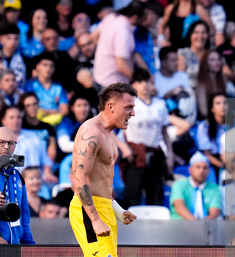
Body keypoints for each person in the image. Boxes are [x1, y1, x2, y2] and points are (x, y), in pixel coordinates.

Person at [54, 82, 138, 257]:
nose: (133, 113)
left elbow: (102, 182)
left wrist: (116, 209)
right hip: (89, 212)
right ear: (111, 106)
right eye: (128, 107)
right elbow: (79, 177)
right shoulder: (91, 132)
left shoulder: (108, 133)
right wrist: (95, 217)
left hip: (102, 208)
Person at [119, 68, 171, 208]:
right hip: (135, 156)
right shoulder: (127, 104)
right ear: (133, 85)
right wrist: (124, 148)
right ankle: (128, 229)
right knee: (132, 196)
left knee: (155, 196)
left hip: (154, 154)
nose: (144, 85)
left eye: (147, 81)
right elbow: (109, 129)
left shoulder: (160, 105)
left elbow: (165, 132)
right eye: (140, 81)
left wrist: (169, 154)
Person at [93, 1, 144, 88]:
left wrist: (106, 51)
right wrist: (140, 81)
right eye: (144, 18)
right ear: (135, 17)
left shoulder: (110, 17)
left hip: (98, 77)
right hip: (111, 84)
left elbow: (93, 36)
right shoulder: (123, 31)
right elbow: (121, 66)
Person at [170, 151, 222, 220]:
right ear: (190, 170)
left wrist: (203, 226)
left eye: (205, 168)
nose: (201, 171)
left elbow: (215, 211)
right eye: (198, 167)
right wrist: (196, 224)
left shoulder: (214, 188)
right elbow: (179, 206)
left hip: (205, 226)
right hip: (181, 226)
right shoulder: (179, 185)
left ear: (209, 171)